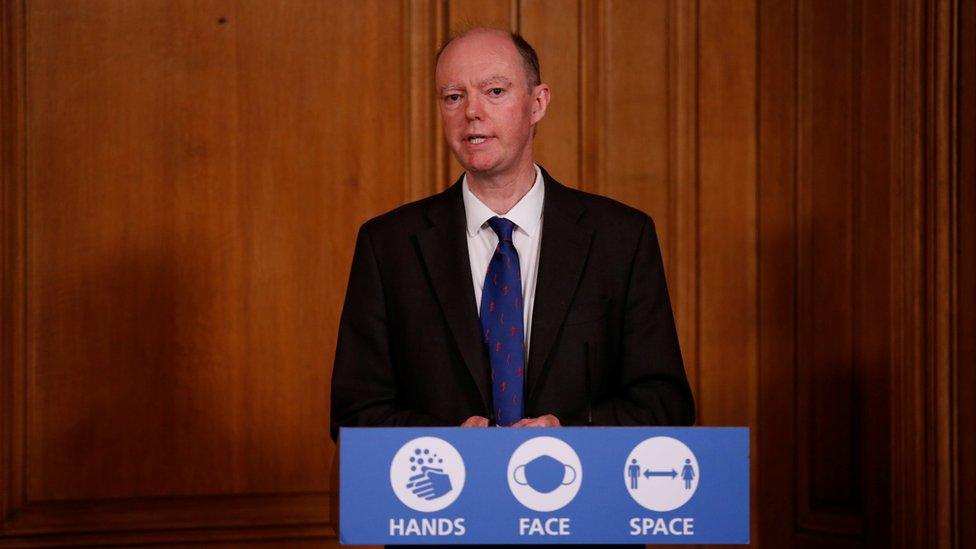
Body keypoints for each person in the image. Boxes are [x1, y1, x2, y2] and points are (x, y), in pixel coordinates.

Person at [330, 27, 694, 439]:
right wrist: (447, 438)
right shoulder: (388, 246)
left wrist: (567, 431)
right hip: (444, 496)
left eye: (495, 92)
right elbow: (354, 413)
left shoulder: (622, 238)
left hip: (578, 491)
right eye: (454, 97)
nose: (471, 111)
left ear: (538, 103)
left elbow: (666, 402)